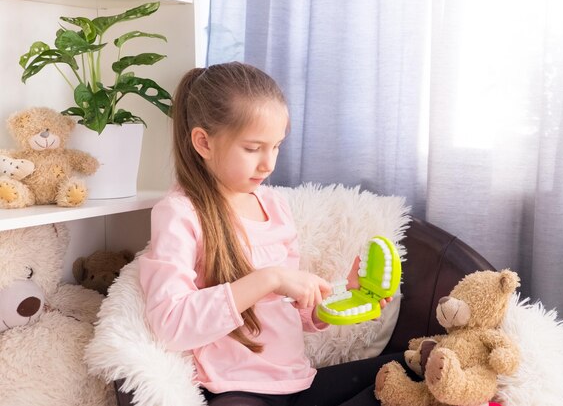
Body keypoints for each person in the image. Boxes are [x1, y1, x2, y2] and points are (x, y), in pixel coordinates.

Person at [138, 62, 415, 406]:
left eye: (276, 146)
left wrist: (344, 298)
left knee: (412, 371)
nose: (268, 163)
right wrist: (269, 279)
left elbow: (292, 310)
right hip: (236, 389)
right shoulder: (181, 213)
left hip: (297, 382)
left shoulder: (275, 204)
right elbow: (170, 324)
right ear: (203, 143)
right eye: (253, 148)